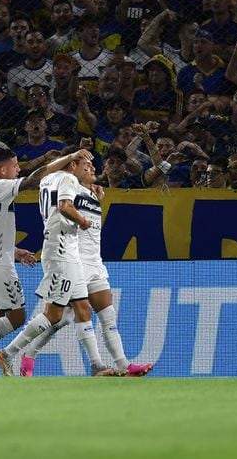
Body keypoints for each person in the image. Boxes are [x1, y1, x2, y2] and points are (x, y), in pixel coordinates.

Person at [0, 144, 93, 376]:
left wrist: (15, 251)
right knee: (17, 317)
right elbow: (35, 178)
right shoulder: (0, 186)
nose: (19, 169)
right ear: (4, 170)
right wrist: (69, 156)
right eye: (15, 166)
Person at [19, 158, 154, 377]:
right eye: (86, 166)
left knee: (96, 317)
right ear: (72, 168)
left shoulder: (92, 193)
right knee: (69, 316)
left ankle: (123, 365)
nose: (92, 169)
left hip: (95, 263)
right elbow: (61, 202)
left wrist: (96, 198)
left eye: (93, 166)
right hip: (75, 261)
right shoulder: (67, 187)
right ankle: (99, 365)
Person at [0, 147, 114, 377]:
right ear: (71, 165)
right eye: (83, 164)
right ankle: (8, 352)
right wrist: (84, 221)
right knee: (53, 315)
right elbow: (65, 207)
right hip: (61, 251)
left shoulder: (47, 180)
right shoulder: (68, 178)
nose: (86, 169)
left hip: (64, 250)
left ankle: (97, 365)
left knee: (82, 307)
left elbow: (45, 177)